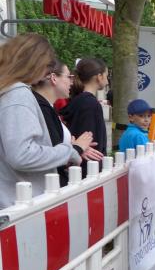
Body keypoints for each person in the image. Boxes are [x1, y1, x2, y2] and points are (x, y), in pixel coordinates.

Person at [0, 34, 97, 208]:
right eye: (47, 64)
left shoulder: (9, 91)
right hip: (22, 204)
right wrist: (70, 151)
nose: (47, 70)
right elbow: (22, 155)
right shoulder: (18, 95)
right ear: (35, 62)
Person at [60, 58, 109, 173]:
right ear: (99, 76)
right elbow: (89, 140)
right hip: (88, 169)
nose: (107, 81)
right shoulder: (90, 104)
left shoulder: (78, 100)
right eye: (106, 76)